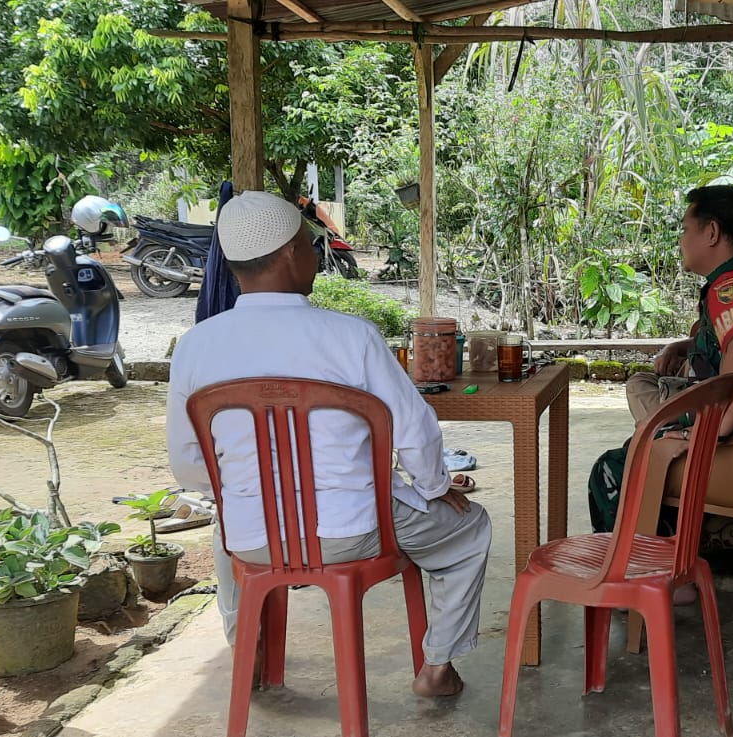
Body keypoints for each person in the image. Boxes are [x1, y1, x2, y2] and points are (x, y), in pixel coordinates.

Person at [164, 191, 490, 698]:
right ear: (292, 254)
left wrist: (250, 497)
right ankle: (438, 668)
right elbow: (415, 430)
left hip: (254, 541)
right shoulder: (351, 336)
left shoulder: (196, 345)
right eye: (310, 244)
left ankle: (247, 649)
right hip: (353, 532)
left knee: (231, 523)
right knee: (470, 531)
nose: (316, 255)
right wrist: (435, 485)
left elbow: (190, 466)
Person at [593, 185, 733, 535]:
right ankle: (677, 550)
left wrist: (710, 431)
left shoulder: (730, 287)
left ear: (711, 233)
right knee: (647, 435)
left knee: (614, 467)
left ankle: (640, 576)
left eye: (685, 229)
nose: (681, 239)